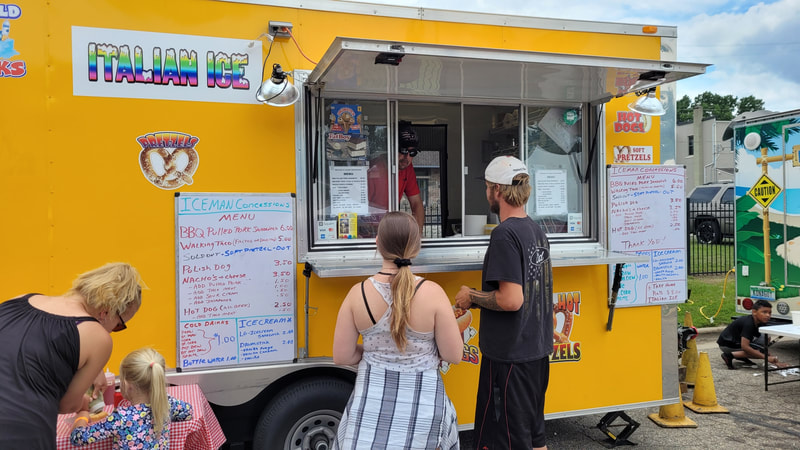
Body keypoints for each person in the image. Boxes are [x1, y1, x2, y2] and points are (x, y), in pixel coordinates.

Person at [332, 211, 463, 449]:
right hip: (424, 411)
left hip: (370, 409)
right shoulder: (433, 293)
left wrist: (373, 351)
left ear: (378, 243)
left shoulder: (357, 294)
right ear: (416, 246)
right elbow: (454, 354)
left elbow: (342, 356)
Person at [455, 155, 553, 450]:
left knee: (508, 441)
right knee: (534, 437)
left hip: (510, 359)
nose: (486, 193)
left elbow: (511, 300)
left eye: (486, 187)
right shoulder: (535, 230)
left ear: (497, 190)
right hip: (536, 352)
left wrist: (471, 296)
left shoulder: (504, 235)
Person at [0, 262, 143, 449]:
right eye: (119, 325)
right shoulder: (98, 337)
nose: (113, 331)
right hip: (21, 433)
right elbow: (66, 405)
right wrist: (83, 404)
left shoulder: (21, 299)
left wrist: (93, 367)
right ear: (106, 312)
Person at [69, 347, 193, 448]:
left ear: (127, 385)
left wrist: (82, 414)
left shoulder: (121, 417)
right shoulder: (167, 403)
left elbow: (77, 438)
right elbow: (188, 412)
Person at [367, 121, 425, 232]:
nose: (406, 157)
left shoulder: (407, 168)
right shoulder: (374, 168)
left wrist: (418, 234)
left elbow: (416, 203)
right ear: (391, 148)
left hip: (389, 228)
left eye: (412, 153)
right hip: (369, 228)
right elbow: (362, 208)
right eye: (403, 151)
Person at [717, 299, 788, 370]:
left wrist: (776, 362)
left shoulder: (760, 321)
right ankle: (729, 355)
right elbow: (745, 347)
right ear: (754, 312)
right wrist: (766, 357)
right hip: (726, 345)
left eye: (770, 313)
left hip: (737, 342)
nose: (768, 315)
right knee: (759, 352)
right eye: (764, 312)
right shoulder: (749, 324)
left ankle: (740, 355)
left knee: (764, 339)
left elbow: (765, 346)